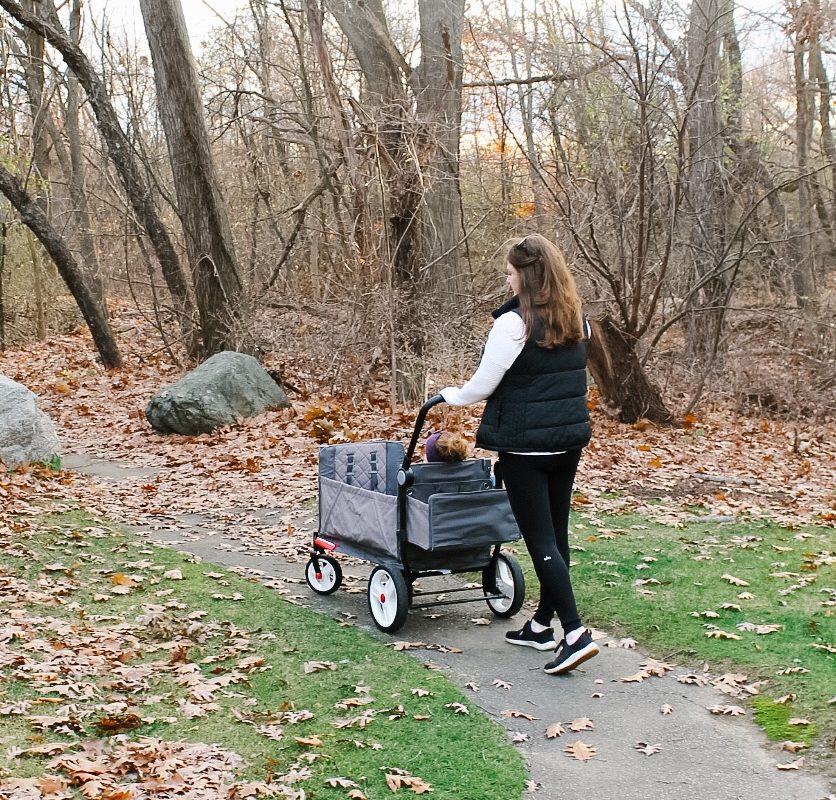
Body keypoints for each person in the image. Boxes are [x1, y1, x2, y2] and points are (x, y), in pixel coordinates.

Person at [440, 233, 598, 675]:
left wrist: (450, 395)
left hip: (525, 447)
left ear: (526, 277)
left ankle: (574, 633)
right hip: (567, 444)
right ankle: (543, 624)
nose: (507, 281)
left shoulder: (514, 324)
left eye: (510, 274)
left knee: (540, 540)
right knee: (557, 534)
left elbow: (481, 387)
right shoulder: (576, 317)